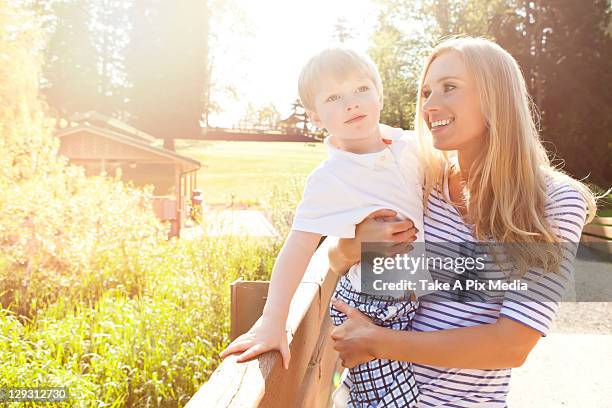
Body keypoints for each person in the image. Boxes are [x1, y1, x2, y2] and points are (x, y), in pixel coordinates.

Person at [328, 36, 597, 407]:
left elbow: (511, 345)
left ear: (495, 96)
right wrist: (353, 245)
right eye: (426, 92)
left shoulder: (553, 201)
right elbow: (350, 265)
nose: (430, 105)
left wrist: (377, 342)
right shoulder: (422, 182)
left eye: (449, 88)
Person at [219, 47, 430, 407]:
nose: (352, 103)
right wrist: (273, 320)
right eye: (335, 97)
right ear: (316, 117)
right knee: (389, 400)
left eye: (361, 89)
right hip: (372, 303)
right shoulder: (330, 177)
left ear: (379, 94)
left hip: (415, 300)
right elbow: (299, 247)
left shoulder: (411, 146)